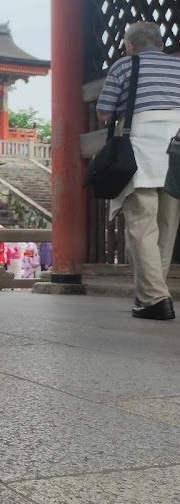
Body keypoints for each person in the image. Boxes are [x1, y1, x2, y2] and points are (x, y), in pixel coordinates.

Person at [96, 21, 180, 320]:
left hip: (142, 147)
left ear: (130, 46)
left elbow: (105, 111)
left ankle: (155, 299)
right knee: (167, 226)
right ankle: (154, 294)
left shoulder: (124, 66)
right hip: (177, 148)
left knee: (142, 225)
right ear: (159, 43)